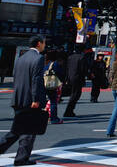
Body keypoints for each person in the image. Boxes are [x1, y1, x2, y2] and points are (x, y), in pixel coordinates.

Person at [0, 35, 46, 165]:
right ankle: (21, 159)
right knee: (29, 131)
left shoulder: (21, 58)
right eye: (44, 43)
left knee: (17, 129)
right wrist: (36, 98)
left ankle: (3, 148)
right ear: (38, 44)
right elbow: (36, 80)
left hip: (18, 97)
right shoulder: (38, 58)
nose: (44, 45)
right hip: (30, 99)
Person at [63, 44, 92, 117]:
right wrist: (89, 75)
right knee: (76, 95)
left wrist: (66, 78)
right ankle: (69, 111)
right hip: (78, 78)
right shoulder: (82, 57)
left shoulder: (70, 57)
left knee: (73, 94)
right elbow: (83, 70)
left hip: (70, 77)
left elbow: (67, 69)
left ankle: (69, 110)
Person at [44, 50, 65, 124]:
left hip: (45, 83)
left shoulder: (45, 63)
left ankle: (46, 116)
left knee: (47, 101)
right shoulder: (55, 64)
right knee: (53, 101)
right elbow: (60, 73)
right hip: (52, 84)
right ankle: (53, 118)